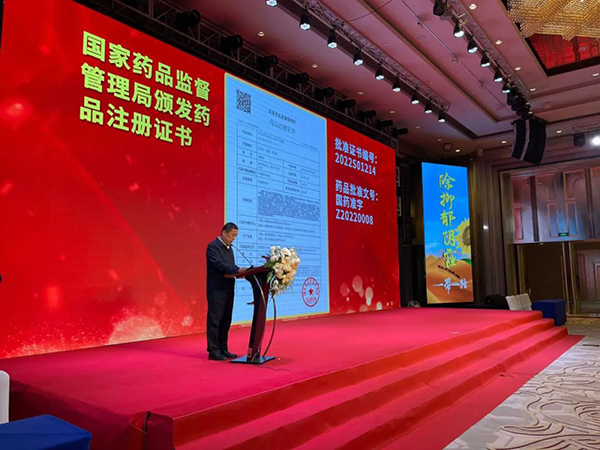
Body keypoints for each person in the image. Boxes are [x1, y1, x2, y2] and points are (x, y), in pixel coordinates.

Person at [206, 223, 247, 361]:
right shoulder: (213, 247)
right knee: (215, 320)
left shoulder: (229, 248)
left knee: (226, 320)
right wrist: (237, 269)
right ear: (224, 232)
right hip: (217, 290)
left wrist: (237, 273)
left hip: (229, 288)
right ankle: (213, 350)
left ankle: (223, 348)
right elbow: (219, 265)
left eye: (236, 236)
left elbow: (229, 267)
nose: (234, 238)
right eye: (232, 235)